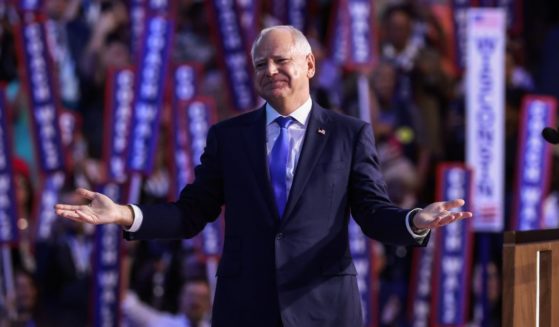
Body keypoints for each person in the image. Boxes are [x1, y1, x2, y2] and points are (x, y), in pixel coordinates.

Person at [55, 25, 472, 327]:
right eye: (260, 64)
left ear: (309, 65)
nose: (270, 69)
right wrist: (125, 215)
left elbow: (372, 211)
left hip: (322, 308)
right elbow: (190, 214)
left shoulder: (349, 134)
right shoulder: (228, 137)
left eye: (280, 60)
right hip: (245, 307)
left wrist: (413, 221)